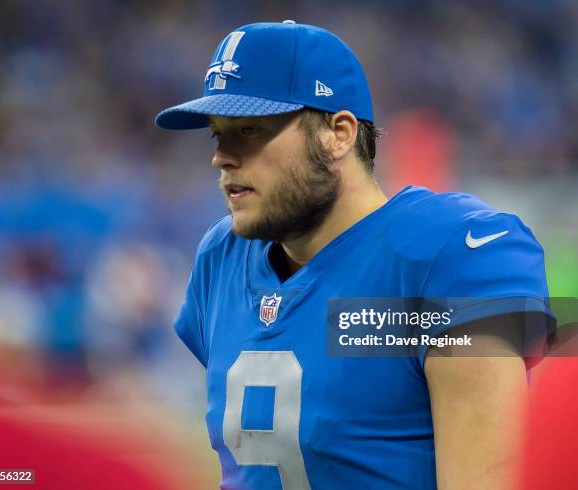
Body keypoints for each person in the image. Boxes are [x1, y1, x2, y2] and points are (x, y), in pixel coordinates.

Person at [155, 21, 553, 489]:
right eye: (217, 135)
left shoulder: (449, 255)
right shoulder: (222, 257)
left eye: (249, 129)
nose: (222, 157)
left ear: (338, 133)